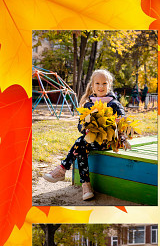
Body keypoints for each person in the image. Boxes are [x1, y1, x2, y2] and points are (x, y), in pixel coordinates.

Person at [43, 69, 128, 201]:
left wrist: (118, 121)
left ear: (109, 85)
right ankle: (86, 186)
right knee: (81, 146)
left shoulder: (114, 103)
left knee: (80, 143)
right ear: (92, 85)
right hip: (91, 141)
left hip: (108, 142)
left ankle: (63, 169)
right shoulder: (89, 104)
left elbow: (123, 118)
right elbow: (80, 124)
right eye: (98, 83)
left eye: (104, 83)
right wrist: (85, 129)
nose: (101, 87)